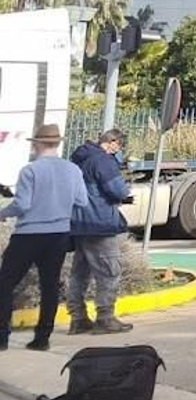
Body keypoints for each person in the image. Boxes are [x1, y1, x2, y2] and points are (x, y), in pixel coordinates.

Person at [0, 124, 89, 351]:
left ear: (37, 144)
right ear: (57, 144)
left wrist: (3, 213)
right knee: (49, 285)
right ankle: (42, 338)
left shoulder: (30, 171)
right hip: (59, 234)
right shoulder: (73, 170)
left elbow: (22, 204)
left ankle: (1, 337)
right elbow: (82, 201)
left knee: (5, 283)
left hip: (28, 234)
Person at [66, 129, 133, 336]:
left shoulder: (79, 159)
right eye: (119, 145)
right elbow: (117, 190)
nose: (118, 150)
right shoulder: (103, 161)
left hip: (79, 223)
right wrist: (125, 193)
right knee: (109, 271)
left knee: (80, 273)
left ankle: (78, 319)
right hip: (99, 222)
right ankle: (105, 318)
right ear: (112, 142)